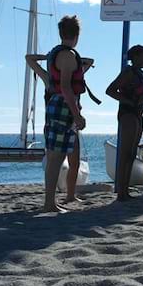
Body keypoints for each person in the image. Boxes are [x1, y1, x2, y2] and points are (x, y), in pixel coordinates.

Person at [26, 51, 94, 204]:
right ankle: (50, 200)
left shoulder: (74, 76)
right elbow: (29, 59)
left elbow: (89, 60)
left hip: (72, 122)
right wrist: (49, 57)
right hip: (54, 124)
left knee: (74, 161)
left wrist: (71, 59)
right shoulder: (48, 77)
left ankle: (71, 195)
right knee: (54, 160)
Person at [42, 16, 88, 212]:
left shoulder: (55, 53)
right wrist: (77, 115)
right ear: (76, 35)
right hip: (63, 106)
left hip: (56, 105)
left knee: (54, 156)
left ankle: (49, 202)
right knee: (57, 157)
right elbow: (66, 88)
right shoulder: (68, 55)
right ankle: (49, 204)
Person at [106, 45, 143, 202]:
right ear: (136, 57)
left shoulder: (142, 74)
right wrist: (129, 101)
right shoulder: (128, 72)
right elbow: (110, 90)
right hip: (127, 114)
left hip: (138, 114)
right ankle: (121, 192)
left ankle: (125, 190)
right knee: (125, 153)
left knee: (132, 154)